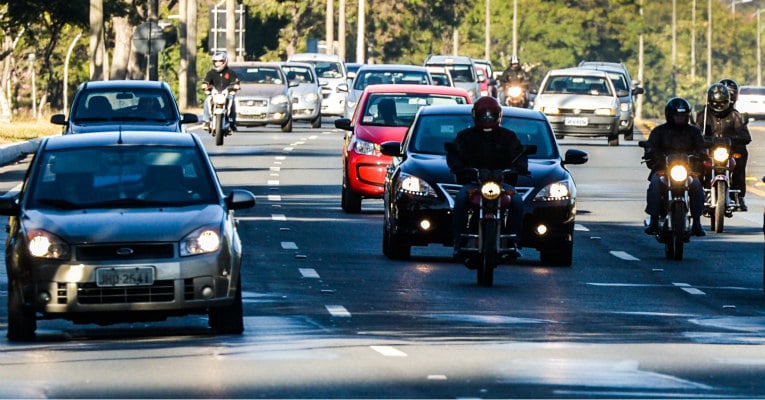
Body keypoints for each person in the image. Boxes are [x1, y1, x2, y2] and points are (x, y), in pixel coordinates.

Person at [446, 97, 528, 257]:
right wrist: (462, 169)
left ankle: (513, 242)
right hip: (474, 184)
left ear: (498, 115)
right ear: (475, 115)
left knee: (517, 201)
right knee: (461, 199)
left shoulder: (509, 137)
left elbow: (520, 155)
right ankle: (459, 241)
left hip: (502, 185)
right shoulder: (465, 136)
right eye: (483, 115)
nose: (487, 118)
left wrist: (518, 168)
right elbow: (454, 154)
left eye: (491, 115)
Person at [644, 97, 707, 237]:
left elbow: (701, 147)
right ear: (670, 115)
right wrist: (651, 153)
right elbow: (651, 146)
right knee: (654, 184)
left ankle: (697, 222)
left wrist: (702, 155)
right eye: (677, 116)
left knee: (697, 185)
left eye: (683, 116)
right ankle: (654, 220)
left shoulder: (694, 132)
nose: (680, 118)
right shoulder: (659, 131)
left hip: (687, 171)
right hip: (663, 170)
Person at [694, 81, 751, 211]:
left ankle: (739, 195)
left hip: (729, 150)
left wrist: (736, 139)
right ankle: (696, 193)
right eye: (715, 103)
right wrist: (701, 139)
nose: (718, 106)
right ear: (709, 101)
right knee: (695, 161)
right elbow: (695, 131)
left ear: (728, 101)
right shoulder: (703, 115)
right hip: (709, 149)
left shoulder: (734, 115)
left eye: (722, 103)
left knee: (741, 156)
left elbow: (745, 135)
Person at [201, 51, 240, 131]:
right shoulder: (211, 73)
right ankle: (207, 121)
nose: (218, 63)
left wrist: (235, 86)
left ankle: (232, 121)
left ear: (225, 61)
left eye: (220, 61)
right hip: (214, 94)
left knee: (232, 101)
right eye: (216, 61)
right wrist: (205, 86)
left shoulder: (230, 72)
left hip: (227, 93)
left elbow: (236, 82)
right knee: (207, 100)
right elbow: (205, 82)